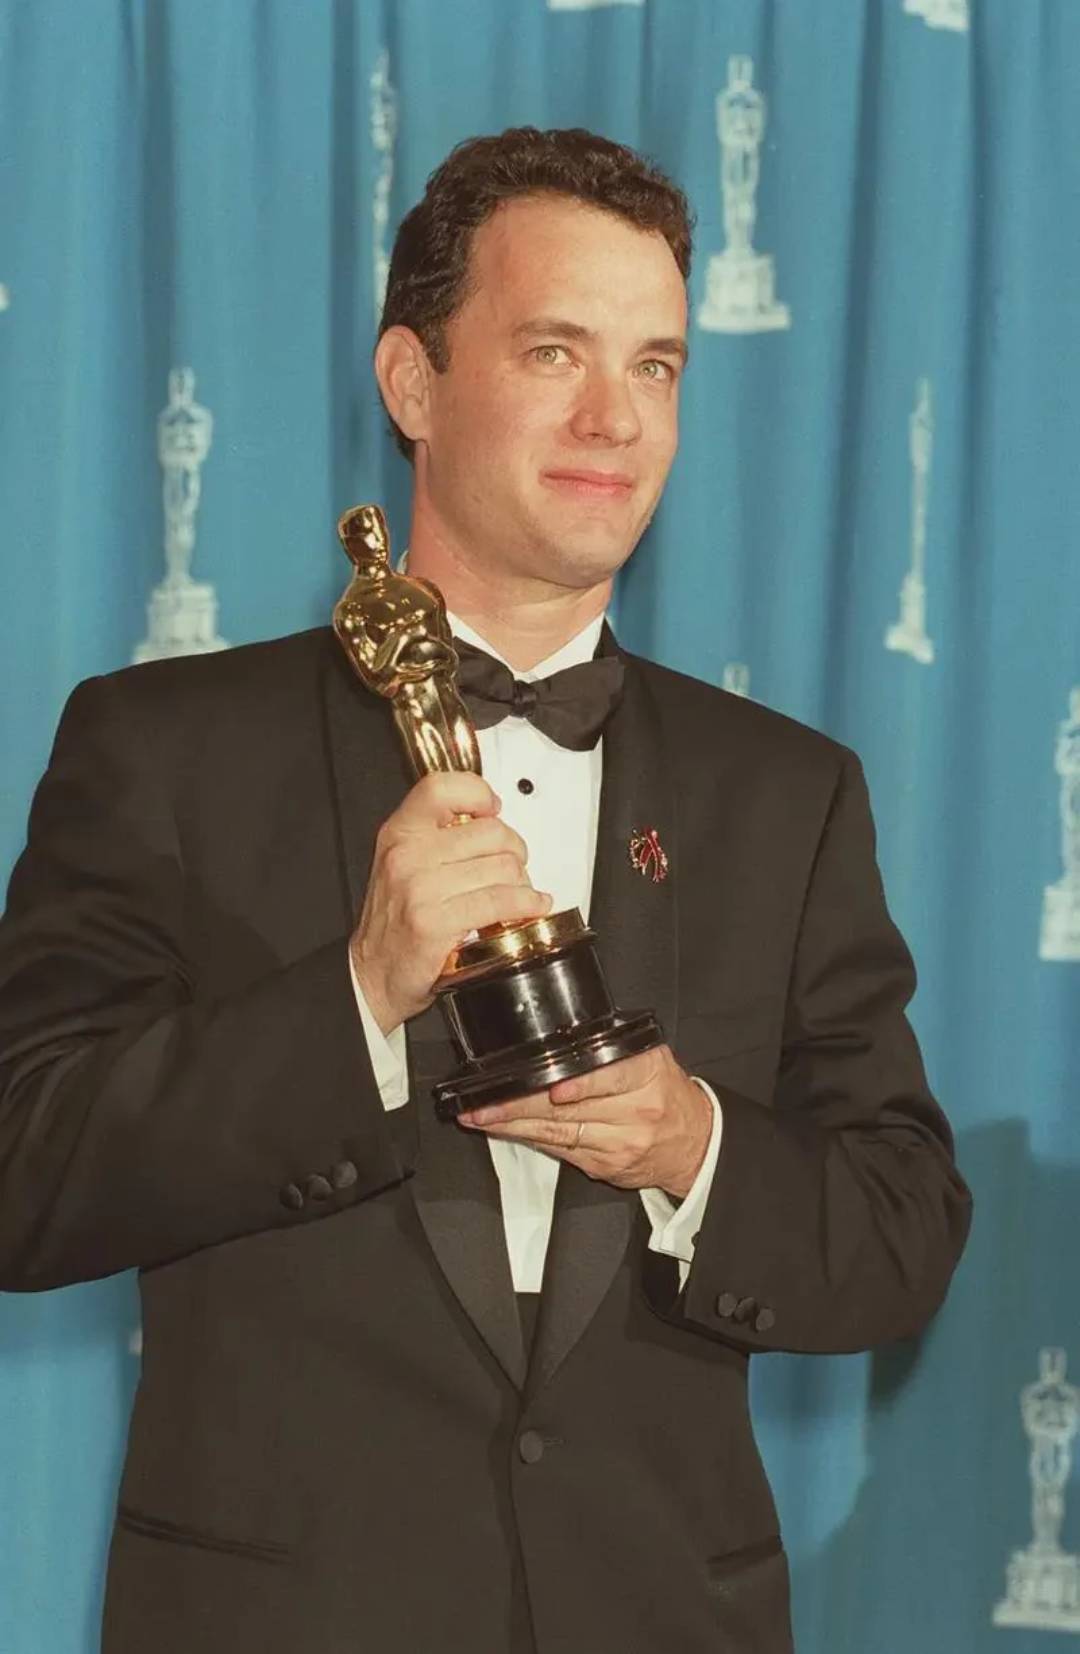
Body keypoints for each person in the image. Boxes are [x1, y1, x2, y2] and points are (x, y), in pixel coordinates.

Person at [0, 127, 971, 1654]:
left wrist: (694, 1144)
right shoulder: (165, 750)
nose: (614, 416)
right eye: (554, 350)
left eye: (656, 366)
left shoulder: (787, 793)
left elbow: (902, 1226)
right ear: (412, 382)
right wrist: (353, 1001)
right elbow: (25, 1169)